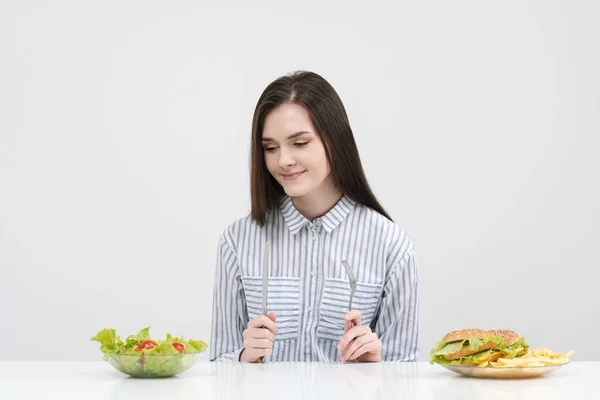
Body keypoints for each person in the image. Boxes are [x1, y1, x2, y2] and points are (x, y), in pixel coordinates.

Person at [210, 71, 419, 363]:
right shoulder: (237, 241)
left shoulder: (392, 246)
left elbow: (405, 375)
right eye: (270, 148)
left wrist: (375, 365)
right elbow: (218, 367)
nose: (283, 160)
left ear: (335, 141)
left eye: (300, 143)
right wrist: (244, 357)